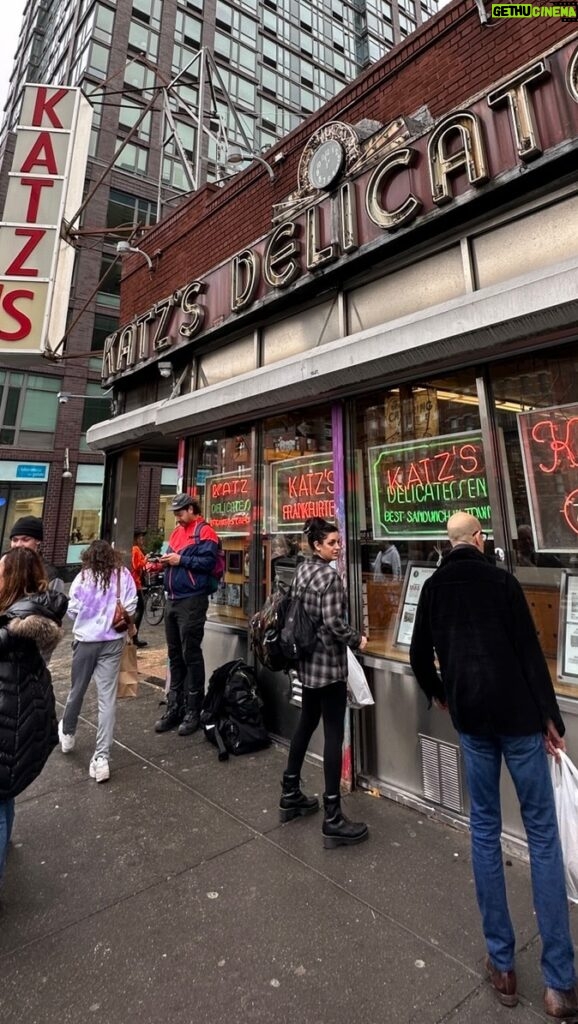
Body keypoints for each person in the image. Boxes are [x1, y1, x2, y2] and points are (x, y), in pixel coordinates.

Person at [409, 511, 577, 1019]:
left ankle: (502, 966)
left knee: (484, 830)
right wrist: (551, 718)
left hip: (473, 722)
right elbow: (530, 653)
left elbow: (419, 657)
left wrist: (442, 693)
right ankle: (560, 986)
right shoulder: (502, 582)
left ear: (447, 544)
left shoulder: (434, 588)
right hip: (521, 720)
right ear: (478, 540)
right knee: (542, 835)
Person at [279, 516, 369, 849]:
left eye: (338, 542)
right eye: (332, 543)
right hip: (329, 667)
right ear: (317, 545)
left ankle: (290, 792)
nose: (337, 547)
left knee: (306, 723)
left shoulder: (303, 569)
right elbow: (334, 623)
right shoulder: (330, 579)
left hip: (306, 664)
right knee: (334, 733)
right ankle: (333, 816)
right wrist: (357, 640)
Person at [0, 548, 66, 885]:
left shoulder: (13, 625)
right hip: (25, 713)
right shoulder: (37, 613)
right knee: (4, 794)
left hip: (12, 716)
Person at [58, 540, 137, 783]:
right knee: (107, 698)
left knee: (77, 690)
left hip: (85, 641)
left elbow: (72, 611)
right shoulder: (123, 575)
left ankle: (68, 732)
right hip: (113, 640)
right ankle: (101, 758)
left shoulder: (83, 578)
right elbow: (132, 606)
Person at [154, 494, 218, 736]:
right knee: (174, 655)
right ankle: (175, 706)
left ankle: (194, 709)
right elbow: (180, 559)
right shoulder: (176, 533)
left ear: (192, 509)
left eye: (180, 512)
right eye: (175, 513)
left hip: (192, 599)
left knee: (190, 653)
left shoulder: (205, 531)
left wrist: (180, 559)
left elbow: (208, 562)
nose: (177, 517)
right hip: (173, 598)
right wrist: (163, 562)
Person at [9, 515, 65, 593]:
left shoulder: (50, 574)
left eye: (25, 540)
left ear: (38, 540)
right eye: (15, 540)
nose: (18, 544)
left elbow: (55, 603)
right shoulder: (5, 565)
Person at [130, 530, 148, 648]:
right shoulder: (136, 549)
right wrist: (146, 559)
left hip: (134, 582)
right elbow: (137, 565)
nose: (142, 540)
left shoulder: (133, 549)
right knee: (139, 609)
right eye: (141, 537)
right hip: (135, 583)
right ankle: (134, 636)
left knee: (137, 609)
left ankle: (133, 636)